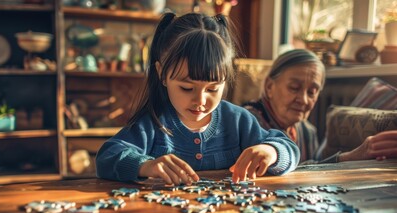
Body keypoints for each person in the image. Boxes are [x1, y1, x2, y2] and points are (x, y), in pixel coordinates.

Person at [96, 12, 300, 184]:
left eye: (212, 89)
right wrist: (146, 165)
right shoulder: (152, 124)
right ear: (161, 74)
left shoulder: (238, 120)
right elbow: (107, 157)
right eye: (186, 88)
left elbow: (289, 148)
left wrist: (271, 150)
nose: (201, 100)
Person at [243, 49, 397, 164]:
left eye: (312, 92)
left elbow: (312, 172)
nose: (303, 100)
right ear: (269, 86)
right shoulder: (246, 124)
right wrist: (352, 156)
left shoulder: (307, 131)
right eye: (294, 88)